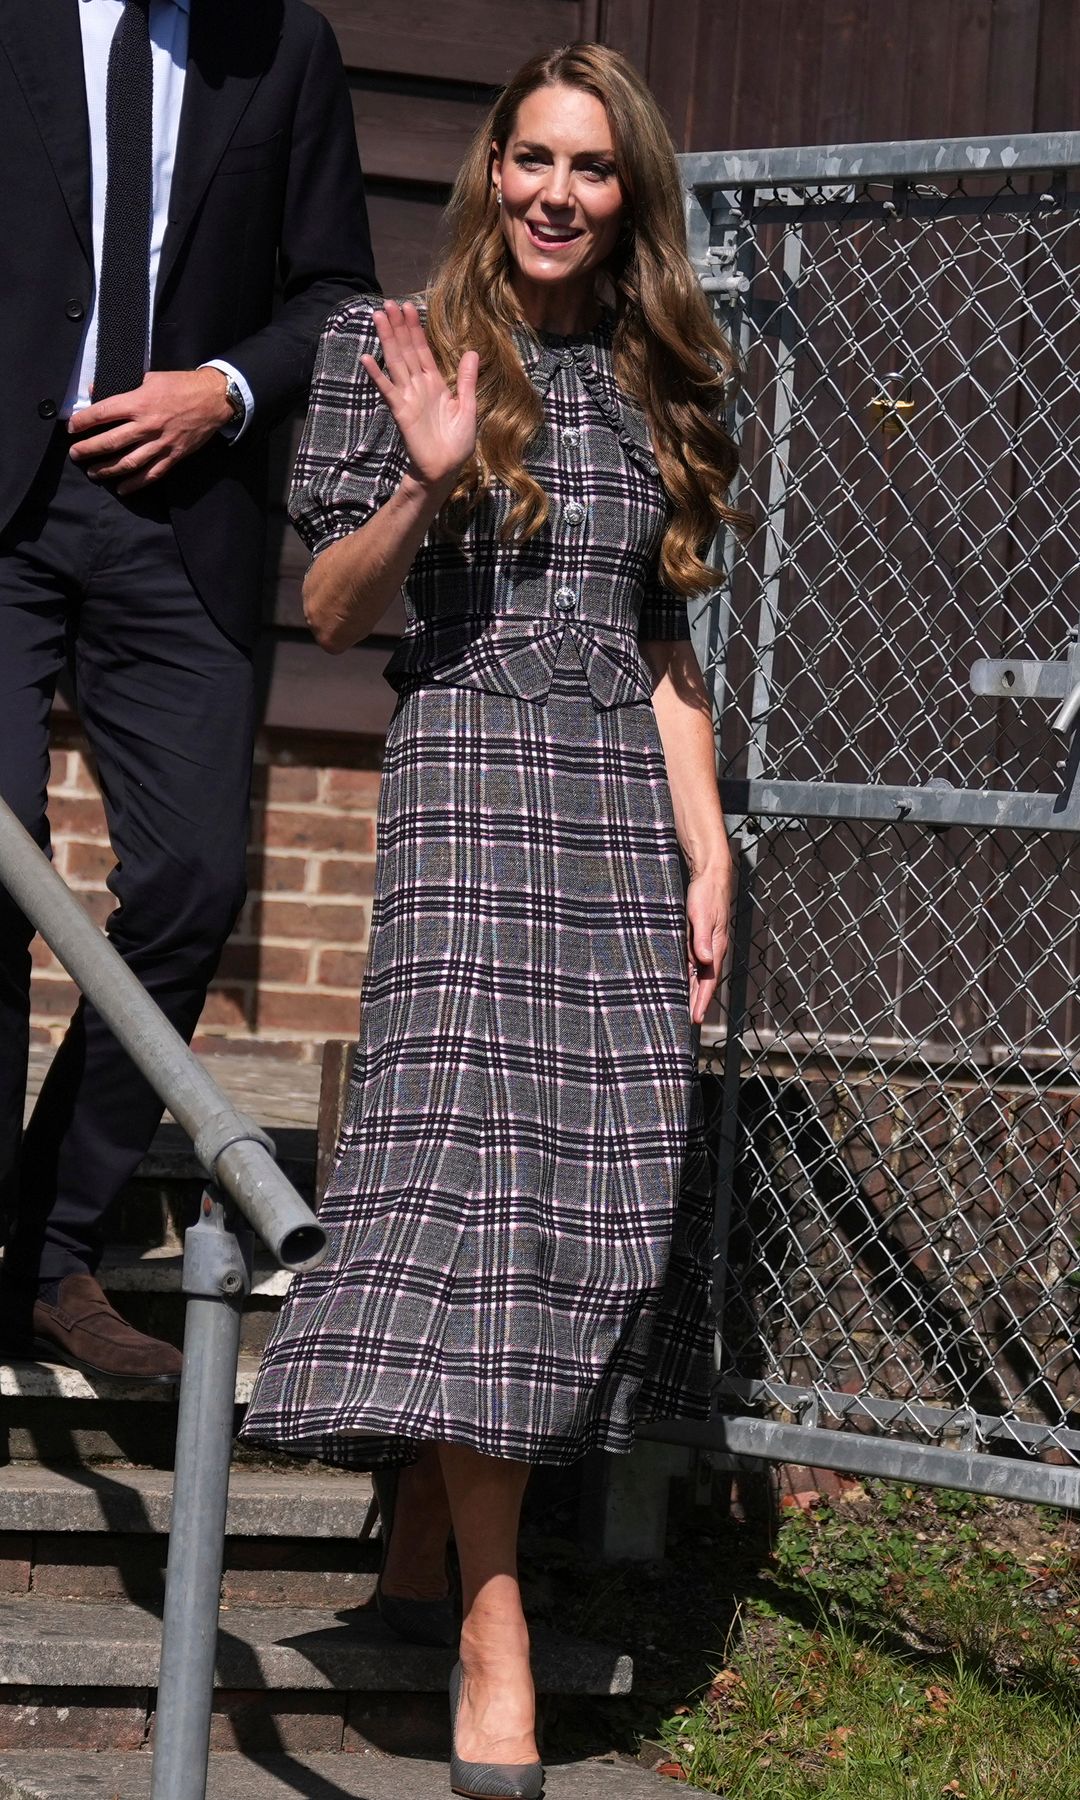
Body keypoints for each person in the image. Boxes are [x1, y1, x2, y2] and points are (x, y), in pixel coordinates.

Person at [241, 41, 746, 1799]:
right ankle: (495, 1624)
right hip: (466, 793)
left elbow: (663, 644)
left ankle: (420, 1537)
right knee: (480, 1177)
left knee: (601, 1179)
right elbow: (327, 603)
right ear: (489, 171)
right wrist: (433, 478)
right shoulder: (390, 350)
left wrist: (709, 852)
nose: (554, 192)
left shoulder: (668, 379)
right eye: (529, 158)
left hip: (616, 814)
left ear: (630, 197)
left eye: (591, 169)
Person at [0, 0, 377, 1382]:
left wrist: (222, 390)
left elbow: (334, 285)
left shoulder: (279, 43)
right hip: (3, 514)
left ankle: (46, 1259)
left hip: (182, 520)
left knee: (193, 886)